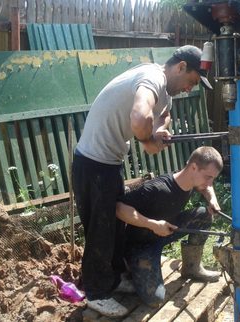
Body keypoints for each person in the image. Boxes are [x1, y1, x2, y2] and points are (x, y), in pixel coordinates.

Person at [72, 45, 213, 317]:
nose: (189, 89)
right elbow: (139, 119)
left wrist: (160, 130)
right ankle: (96, 292)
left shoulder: (164, 93)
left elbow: (162, 116)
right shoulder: (152, 79)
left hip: (110, 162)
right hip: (92, 163)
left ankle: (112, 279)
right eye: (191, 82)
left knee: (113, 225)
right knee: (100, 230)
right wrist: (148, 139)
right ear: (181, 67)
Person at [116, 146, 223, 307]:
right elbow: (119, 208)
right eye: (208, 177)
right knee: (155, 299)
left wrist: (212, 199)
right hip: (140, 244)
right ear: (193, 167)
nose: (209, 183)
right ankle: (126, 271)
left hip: (166, 231)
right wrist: (152, 224)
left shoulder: (191, 179)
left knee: (204, 215)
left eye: (212, 178)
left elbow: (207, 186)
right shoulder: (157, 189)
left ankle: (192, 268)